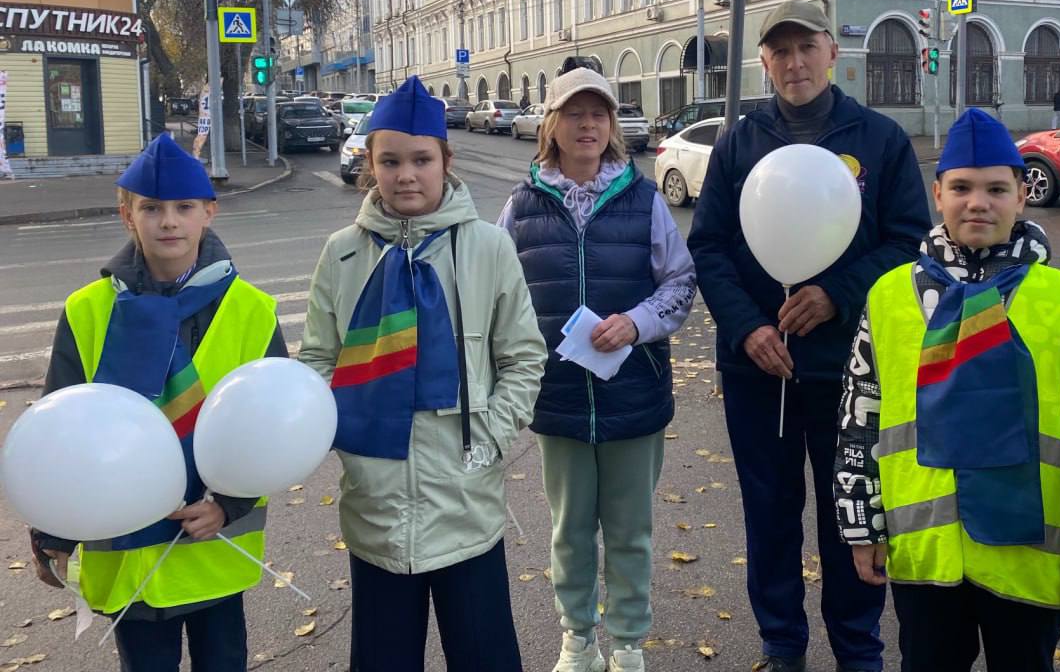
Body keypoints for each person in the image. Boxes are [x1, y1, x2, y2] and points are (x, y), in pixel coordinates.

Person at [687, 0, 931, 672]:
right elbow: (708, 246)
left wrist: (836, 295)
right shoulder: (740, 143)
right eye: (780, 52)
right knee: (768, 512)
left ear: (832, 53)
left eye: (805, 48)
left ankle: (857, 647)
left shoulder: (879, 139)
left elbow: (908, 242)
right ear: (765, 63)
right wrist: (747, 329)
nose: (794, 63)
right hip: (758, 371)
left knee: (849, 512)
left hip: (852, 371)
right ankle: (782, 644)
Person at [835, 107, 1060, 672]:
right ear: (938, 194)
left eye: (996, 189)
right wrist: (861, 522)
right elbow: (861, 413)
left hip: (1030, 555)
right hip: (926, 552)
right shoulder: (889, 296)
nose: (977, 203)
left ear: (1022, 196)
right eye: (961, 188)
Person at [298, 76, 545, 672]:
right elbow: (318, 361)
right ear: (370, 165)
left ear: (445, 161)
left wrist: (490, 438)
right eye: (390, 161)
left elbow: (523, 357)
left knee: (484, 658)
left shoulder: (489, 248)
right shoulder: (343, 253)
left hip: (466, 503)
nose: (405, 175)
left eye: (420, 160)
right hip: (375, 508)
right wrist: (348, 442)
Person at [29, 132, 288, 672]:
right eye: (151, 208)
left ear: (209, 212)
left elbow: (272, 430)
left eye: (184, 207)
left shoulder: (252, 311)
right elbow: (60, 429)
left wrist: (229, 507)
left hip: (214, 548)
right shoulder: (86, 310)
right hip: (129, 558)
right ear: (127, 215)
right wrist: (51, 532)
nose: (168, 222)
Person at [496, 68, 697, 672]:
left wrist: (636, 322)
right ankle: (578, 640)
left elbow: (681, 283)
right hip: (557, 399)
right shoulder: (521, 206)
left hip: (634, 395)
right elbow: (498, 295)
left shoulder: (643, 199)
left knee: (631, 531)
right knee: (570, 531)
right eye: (574, 113)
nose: (587, 125)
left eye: (599, 114)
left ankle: (628, 644)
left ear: (611, 125)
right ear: (550, 125)